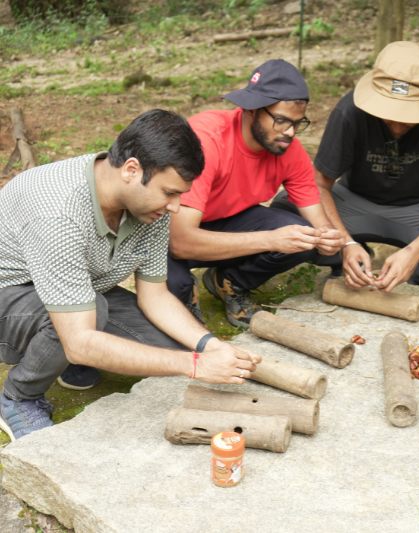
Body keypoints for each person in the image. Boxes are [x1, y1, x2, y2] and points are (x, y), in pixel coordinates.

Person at [0, 109, 260, 441]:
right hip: (10, 295)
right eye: (170, 193)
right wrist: (195, 367)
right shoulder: (59, 213)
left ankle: (66, 358)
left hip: (77, 291)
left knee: (170, 349)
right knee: (90, 327)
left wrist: (208, 347)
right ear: (131, 169)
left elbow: (156, 295)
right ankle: (18, 396)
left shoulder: (149, 205)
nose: (177, 206)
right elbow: (80, 342)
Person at [273, 41, 419, 292]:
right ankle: (352, 260)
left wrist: (414, 252)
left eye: (408, 118)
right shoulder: (350, 108)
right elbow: (319, 184)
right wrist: (346, 244)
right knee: (285, 211)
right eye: (389, 116)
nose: (397, 126)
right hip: (354, 202)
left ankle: (408, 282)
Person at [167, 59, 343, 328]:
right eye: (282, 121)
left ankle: (228, 282)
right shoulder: (208, 139)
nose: (290, 132)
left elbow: (316, 214)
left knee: (301, 234)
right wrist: (271, 240)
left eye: (298, 123)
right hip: (167, 233)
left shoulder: (287, 148)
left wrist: (330, 239)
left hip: (224, 220)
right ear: (251, 110)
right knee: (176, 292)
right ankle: (183, 296)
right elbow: (180, 242)